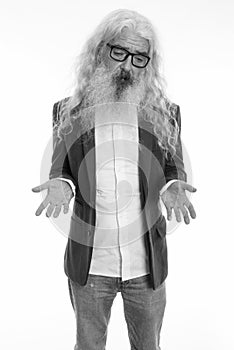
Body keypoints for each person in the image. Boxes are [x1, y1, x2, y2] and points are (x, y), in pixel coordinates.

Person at [32, 9, 196, 350]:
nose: (127, 66)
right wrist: (61, 182)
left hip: (145, 263)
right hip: (90, 262)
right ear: (100, 50)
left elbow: (172, 166)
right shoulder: (68, 111)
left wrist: (173, 185)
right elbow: (61, 166)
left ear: (149, 63)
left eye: (139, 57)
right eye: (119, 52)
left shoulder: (166, 114)